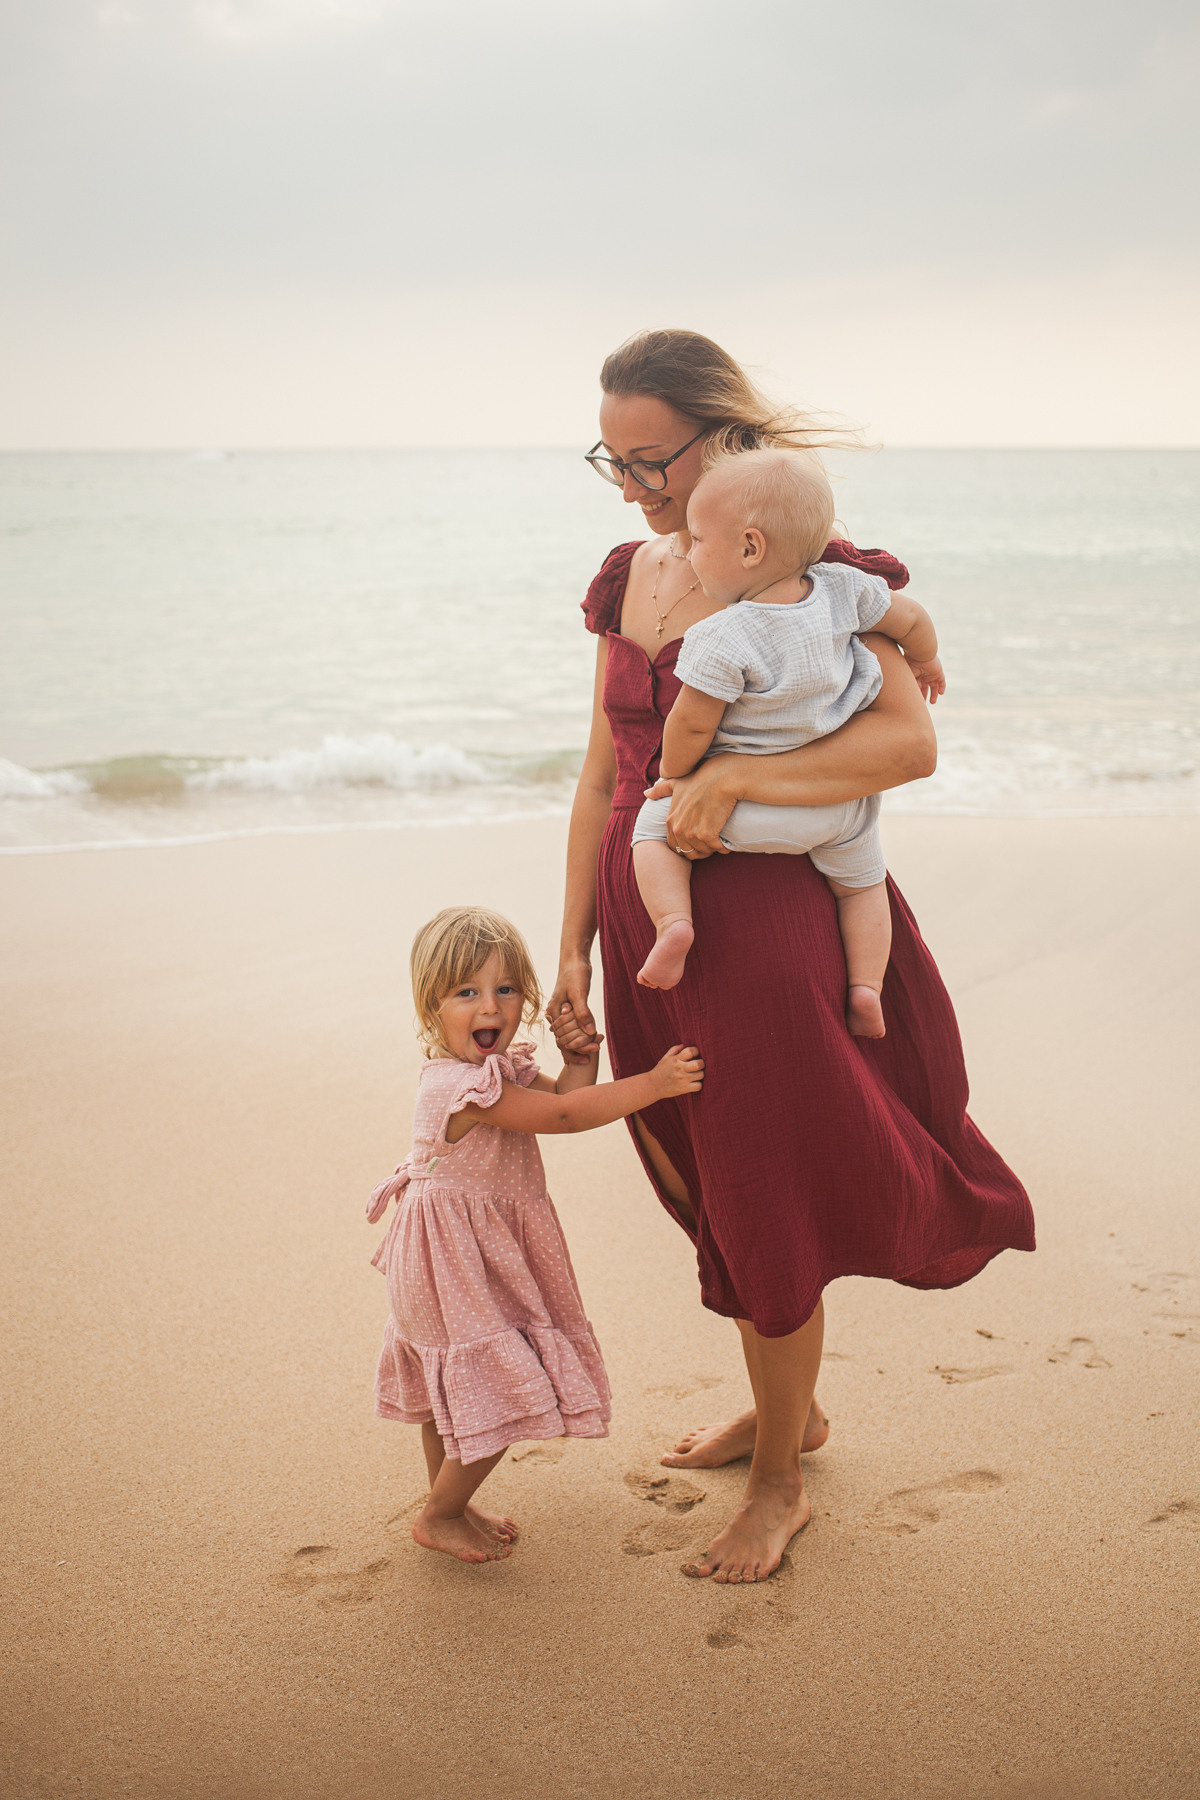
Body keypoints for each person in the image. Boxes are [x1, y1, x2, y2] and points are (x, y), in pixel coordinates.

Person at [550, 328, 1035, 1585]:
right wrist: (567, 946)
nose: (633, 485)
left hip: (767, 924)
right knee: (703, 1164)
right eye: (614, 457)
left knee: (765, 1179)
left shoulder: (804, 571)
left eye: (652, 459)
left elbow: (906, 744)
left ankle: (781, 1482)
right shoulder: (629, 573)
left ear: (725, 438)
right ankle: (789, 1409)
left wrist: (732, 784)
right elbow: (605, 768)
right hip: (649, 917)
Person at [366, 904, 704, 1565]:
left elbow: (567, 1090)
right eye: (466, 992)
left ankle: (450, 1503)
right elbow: (568, 1115)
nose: (490, 1006)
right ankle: (439, 1513)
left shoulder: (494, 1074)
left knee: (452, 1394)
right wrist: (655, 1085)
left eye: (505, 990)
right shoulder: (459, 1089)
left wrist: (584, 1054)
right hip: (449, 1264)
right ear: (431, 1005)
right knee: (496, 1388)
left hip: (454, 1259)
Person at [631, 448, 944, 1038]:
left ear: (750, 548)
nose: (690, 551)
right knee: (862, 884)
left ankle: (674, 924)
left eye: (698, 540)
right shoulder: (846, 591)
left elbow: (692, 725)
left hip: (741, 815)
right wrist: (925, 661)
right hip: (835, 811)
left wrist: (676, 775)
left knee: (650, 830)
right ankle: (865, 987)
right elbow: (910, 619)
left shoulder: (720, 635)